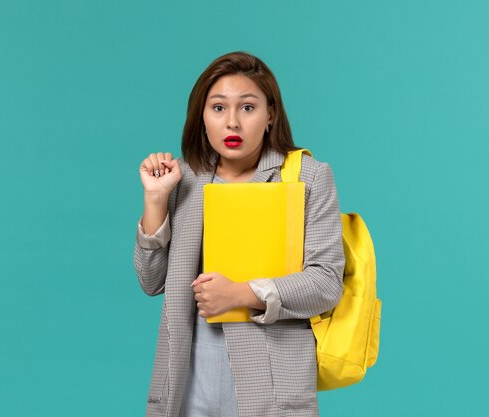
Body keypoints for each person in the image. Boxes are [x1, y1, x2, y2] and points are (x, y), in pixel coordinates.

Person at [134, 51, 345, 417]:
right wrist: (155, 201)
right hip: (187, 383)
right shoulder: (183, 179)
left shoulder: (308, 177)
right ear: (201, 117)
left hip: (270, 386)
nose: (232, 122)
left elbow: (326, 283)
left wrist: (242, 293)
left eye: (247, 108)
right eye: (218, 108)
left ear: (270, 115)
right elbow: (151, 282)